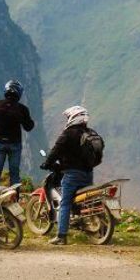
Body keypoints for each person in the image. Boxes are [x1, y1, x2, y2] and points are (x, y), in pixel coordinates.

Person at [41, 105, 97, 245]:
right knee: (83, 201)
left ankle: (61, 236)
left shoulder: (68, 134)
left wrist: (47, 163)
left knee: (65, 203)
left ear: (74, 117)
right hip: (88, 173)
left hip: (72, 174)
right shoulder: (90, 133)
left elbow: (56, 151)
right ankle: (85, 225)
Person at [0, 80, 35, 187]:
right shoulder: (22, 109)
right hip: (15, 143)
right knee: (14, 173)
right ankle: (14, 195)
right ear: (19, 93)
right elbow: (28, 127)